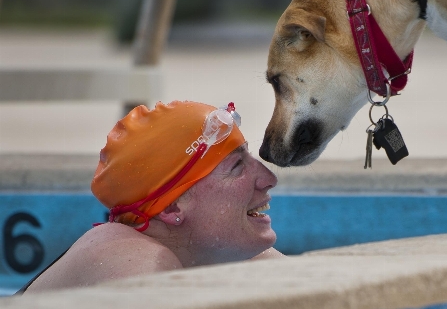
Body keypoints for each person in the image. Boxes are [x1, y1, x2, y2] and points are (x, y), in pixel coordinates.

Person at [21, 100, 282, 294]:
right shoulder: (132, 262)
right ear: (171, 207)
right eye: (237, 167)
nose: (269, 179)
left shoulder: (234, 253)